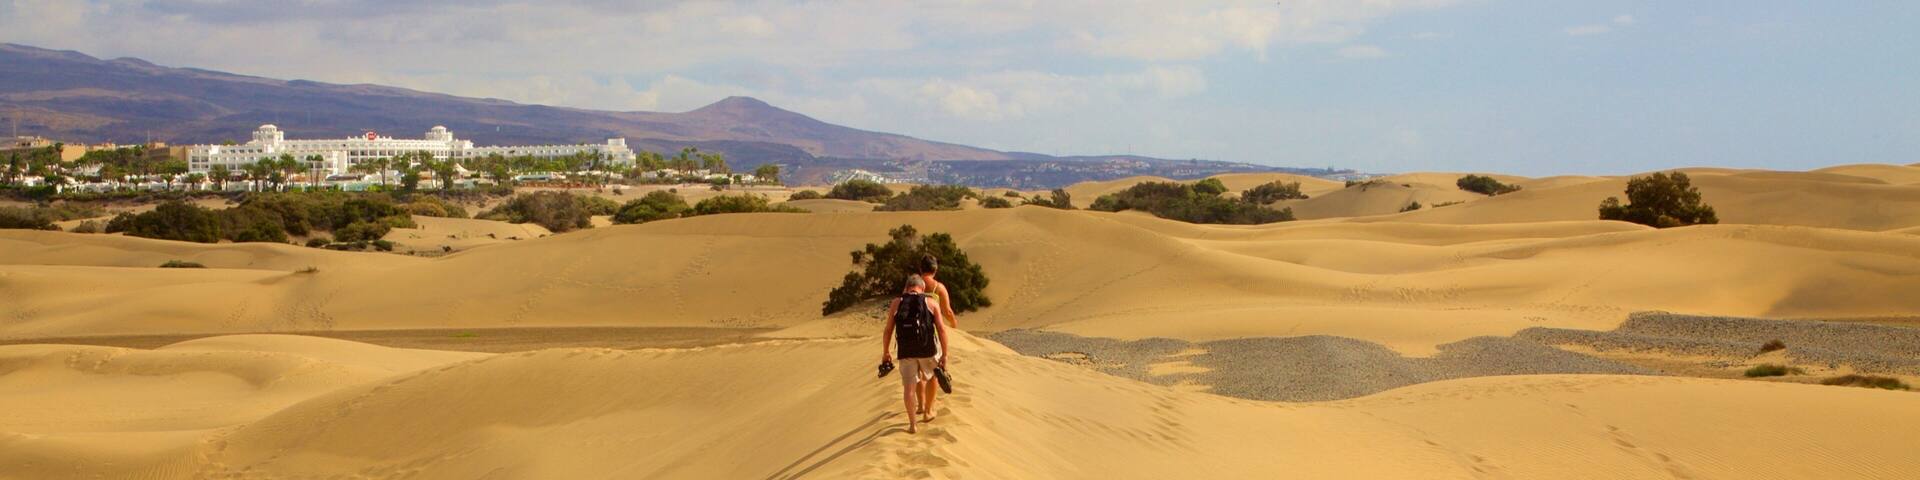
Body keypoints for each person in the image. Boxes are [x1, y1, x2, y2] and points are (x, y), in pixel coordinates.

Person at [881, 274, 948, 434]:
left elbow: (888, 330)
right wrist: (945, 354)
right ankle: (928, 411)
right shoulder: (931, 302)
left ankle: (912, 425)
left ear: (906, 288)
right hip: (927, 350)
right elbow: (941, 329)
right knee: (932, 376)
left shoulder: (897, 303)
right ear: (922, 288)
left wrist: (885, 352)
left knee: (908, 388)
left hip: (906, 351)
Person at [914, 255, 958, 415]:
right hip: (931, 334)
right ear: (935, 269)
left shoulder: (912, 285)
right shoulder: (938, 287)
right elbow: (947, 311)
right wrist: (954, 325)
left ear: (921, 268)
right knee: (933, 372)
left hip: (912, 334)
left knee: (918, 371)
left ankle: (920, 405)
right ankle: (928, 410)